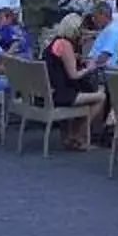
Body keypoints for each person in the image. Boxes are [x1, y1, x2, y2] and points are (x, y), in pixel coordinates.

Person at [43, 14, 104, 150]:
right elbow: (74, 75)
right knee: (101, 97)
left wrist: (76, 58)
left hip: (50, 91)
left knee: (87, 93)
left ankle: (69, 135)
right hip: (62, 94)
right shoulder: (66, 45)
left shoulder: (56, 42)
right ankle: (78, 136)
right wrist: (90, 68)